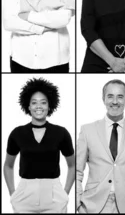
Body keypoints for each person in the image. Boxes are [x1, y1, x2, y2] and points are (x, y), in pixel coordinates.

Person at [76, 79, 125, 214]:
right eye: (110, 96)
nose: (115, 101)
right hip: (93, 205)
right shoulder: (87, 130)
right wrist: (78, 204)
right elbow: (77, 171)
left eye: (120, 97)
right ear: (103, 99)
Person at [4, 78, 74, 213]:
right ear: (28, 106)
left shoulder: (61, 133)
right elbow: (8, 165)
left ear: (49, 106)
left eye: (43, 102)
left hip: (54, 196)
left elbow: (72, 165)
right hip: (24, 195)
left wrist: (65, 193)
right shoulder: (17, 133)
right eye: (34, 102)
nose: (38, 106)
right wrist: (12, 193)